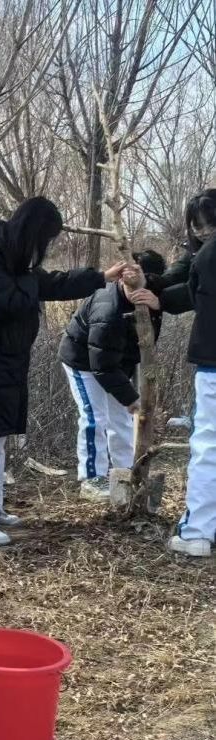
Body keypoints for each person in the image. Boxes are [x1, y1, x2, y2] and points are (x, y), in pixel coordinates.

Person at [0, 198, 128, 546]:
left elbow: (52, 284)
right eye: (45, 240)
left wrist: (99, 278)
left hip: (3, 364)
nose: (45, 250)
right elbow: (13, 301)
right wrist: (33, 280)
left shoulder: (12, 263)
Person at [57, 251, 163, 499]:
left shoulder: (150, 299)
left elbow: (143, 344)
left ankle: (125, 472)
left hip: (115, 364)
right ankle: (92, 477)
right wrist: (131, 398)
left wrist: (156, 309)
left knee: (121, 418)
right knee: (95, 417)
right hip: (84, 361)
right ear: (123, 279)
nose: (142, 293)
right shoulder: (107, 309)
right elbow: (101, 365)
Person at [170, 189, 216, 557]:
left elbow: (192, 292)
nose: (202, 232)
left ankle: (197, 531)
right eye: (197, 226)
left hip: (213, 362)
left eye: (207, 224)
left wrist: (155, 294)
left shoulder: (207, 256)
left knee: (208, 446)